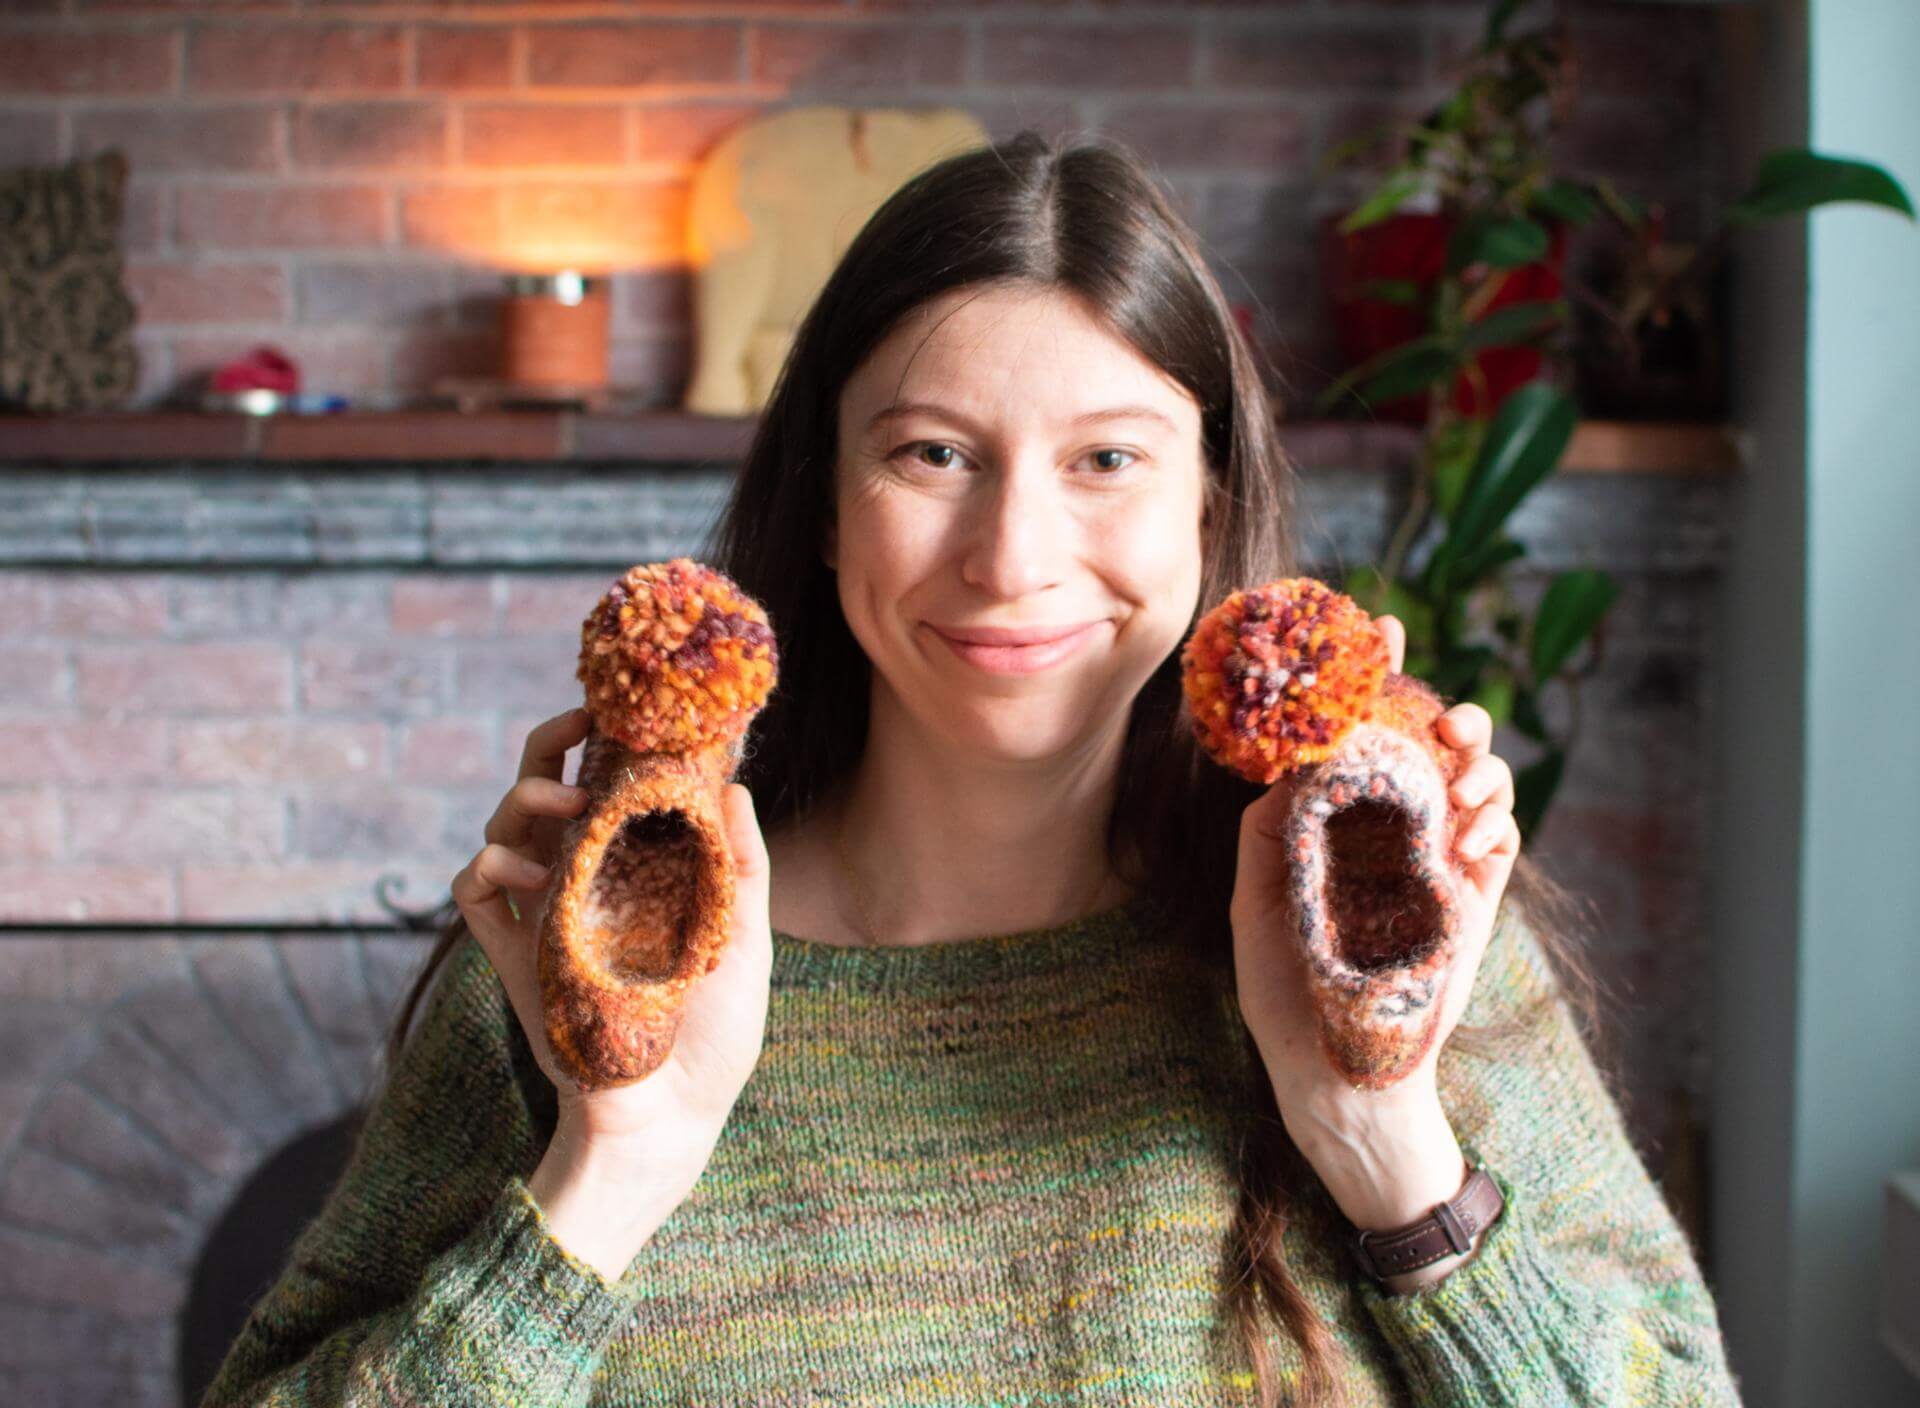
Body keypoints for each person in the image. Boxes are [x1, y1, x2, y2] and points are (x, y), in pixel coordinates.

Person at [198, 131, 1744, 1407]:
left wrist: (1381, 1143)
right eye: (932, 453)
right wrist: (610, 1175)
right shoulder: (571, 984)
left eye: (1108, 459)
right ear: (824, 504)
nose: (1012, 558)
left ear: (1211, 515)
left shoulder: (1408, 955)